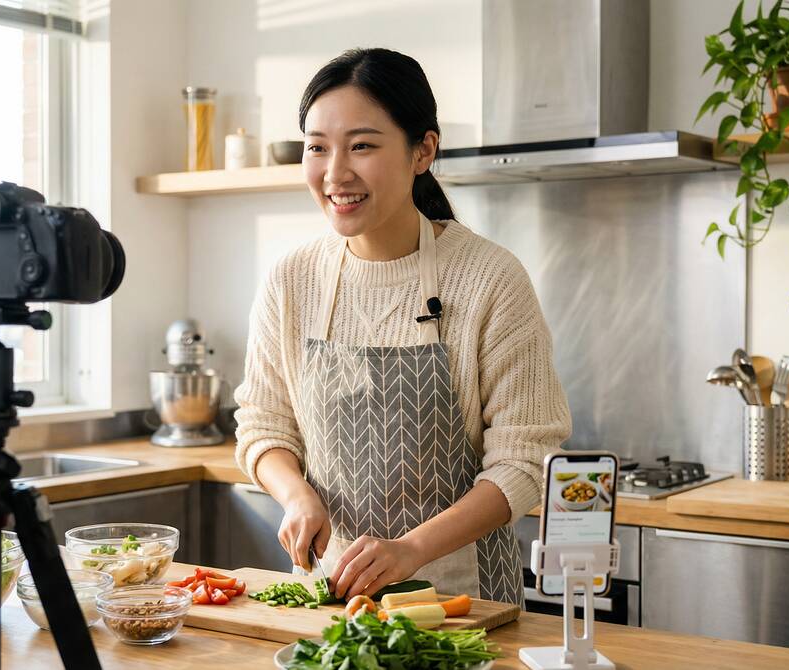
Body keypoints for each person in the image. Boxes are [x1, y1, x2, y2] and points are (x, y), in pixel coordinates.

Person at [233, 48, 571, 605]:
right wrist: (295, 495)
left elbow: (522, 463)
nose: (335, 173)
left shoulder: (490, 279)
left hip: (465, 607)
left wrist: (410, 550)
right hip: (332, 600)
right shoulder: (291, 280)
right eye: (317, 147)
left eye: (361, 146)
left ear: (423, 151)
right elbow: (263, 426)